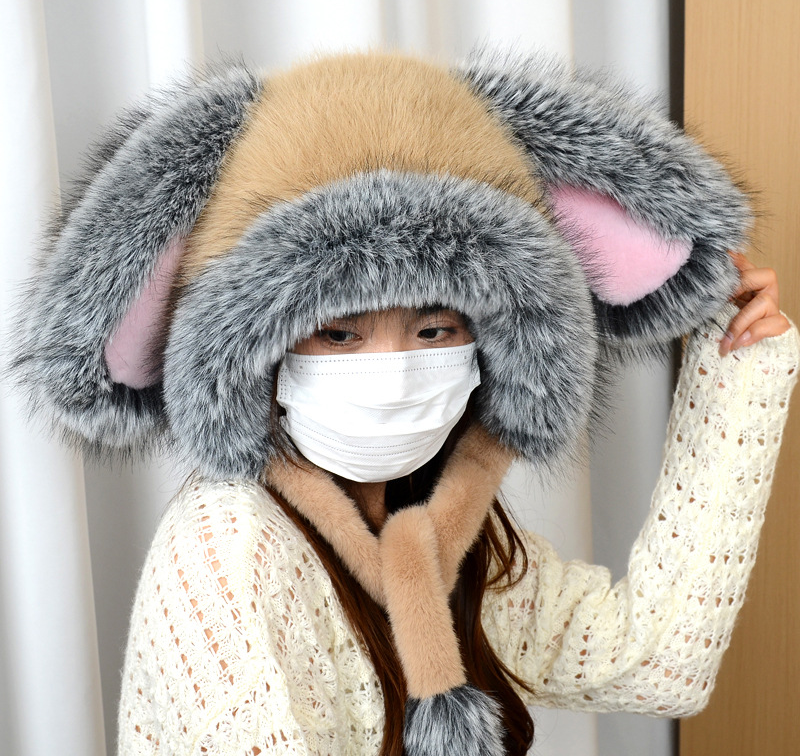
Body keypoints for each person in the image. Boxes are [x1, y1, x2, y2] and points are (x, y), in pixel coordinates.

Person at [11, 52, 798, 756]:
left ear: (495, 345)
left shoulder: (439, 527)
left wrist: (739, 374)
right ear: (259, 357)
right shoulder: (226, 548)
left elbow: (654, 665)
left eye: (433, 328)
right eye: (338, 333)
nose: (391, 376)